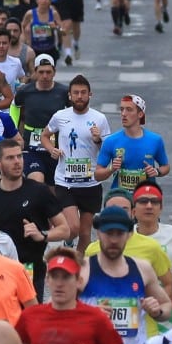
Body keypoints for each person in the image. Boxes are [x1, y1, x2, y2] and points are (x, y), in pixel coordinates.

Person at [15, 248, 129, 344]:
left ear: (79, 281)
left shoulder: (96, 317)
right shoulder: (30, 316)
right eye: (54, 276)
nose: (59, 284)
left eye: (66, 277)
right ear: (47, 280)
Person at [79, 206, 172, 344]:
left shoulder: (142, 269)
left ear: (129, 235)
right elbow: (57, 312)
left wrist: (157, 311)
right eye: (109, 234)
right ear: (98, 233)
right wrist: (89, 316)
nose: (114, 240)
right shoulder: (82, 270)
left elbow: (167, 306)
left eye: (119, 234)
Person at [0, 137, 69, 298]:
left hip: (30, 268)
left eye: (19, 156)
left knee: (30, 319)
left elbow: (65, 229)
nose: (17, 162)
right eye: (10, 158)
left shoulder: (39, 191)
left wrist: (43, 235)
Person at [43, 75, 109, 251]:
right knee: (73, 228)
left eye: (83, 93)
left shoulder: (100, 119)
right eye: (76, 93)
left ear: (90, 95)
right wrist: (51, 149)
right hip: (66, 182)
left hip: (91, 183)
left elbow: (107, 149)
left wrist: (97, 139)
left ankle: (77, 269)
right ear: (70, 96)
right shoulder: (60, 116)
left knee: (86, 233)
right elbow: (44, 135)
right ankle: (67, 241)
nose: (80, 96)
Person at [95, 93, 169, 195]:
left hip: (145, 198)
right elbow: (97, 175)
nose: (123, 114)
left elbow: (165, 166)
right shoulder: (111, 141)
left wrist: (157, 172)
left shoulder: (155, 140)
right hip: (119, 198)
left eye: (129, 110)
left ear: (140, 114)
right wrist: (111, 169)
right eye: (122, 109)